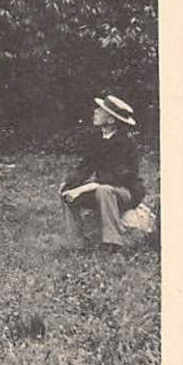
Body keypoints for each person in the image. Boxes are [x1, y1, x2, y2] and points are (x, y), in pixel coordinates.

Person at [60, 93, 145, 249]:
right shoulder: (96, 139)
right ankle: (77, 243)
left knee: (104, 191)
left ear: (111, 120)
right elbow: (85, 167)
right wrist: (70, 184)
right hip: (103, 187)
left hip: (126, 191)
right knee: (67, 191)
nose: (95, 111)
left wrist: (84, 188)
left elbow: (115, 177)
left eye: (100, 110)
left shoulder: (125, 143)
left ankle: (113, 243)